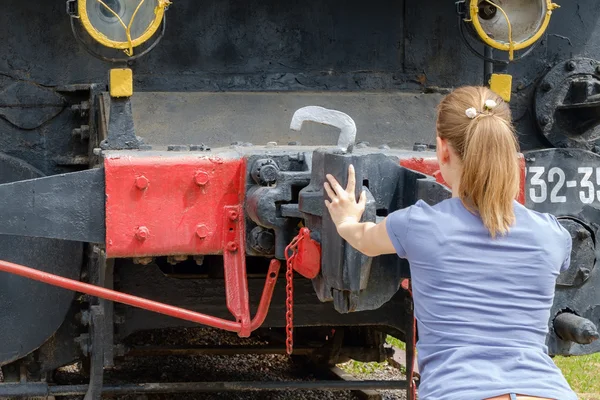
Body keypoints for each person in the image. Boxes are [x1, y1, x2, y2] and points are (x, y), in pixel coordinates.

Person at [323, 86, 577, 400]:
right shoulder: (552, 235)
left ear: (443, 151)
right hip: (548, 392)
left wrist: (346, 219)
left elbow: (362, 239)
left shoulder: (417, 225)